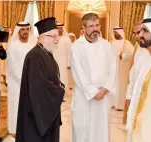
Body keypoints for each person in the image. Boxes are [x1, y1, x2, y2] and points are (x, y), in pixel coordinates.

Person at [16, 17, 65, 142]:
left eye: (57, 35)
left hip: (45, 114)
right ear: (42, 38)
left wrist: (59, 85)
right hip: (36, 118)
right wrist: (59, 91)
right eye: (52, 36)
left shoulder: (46, 52)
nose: (57, 39)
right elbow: (38, 88)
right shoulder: (35, 56)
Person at [71, 13, 116, 142]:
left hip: (103, 96)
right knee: (82, 131)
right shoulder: (76, 46)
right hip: (83, 97)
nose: (95, 29)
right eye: (91, 26)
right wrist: (92, 92)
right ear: (84, 28)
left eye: (97, 25)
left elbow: (113, 69)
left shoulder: (106, 45)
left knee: (100, 131)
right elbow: (77, 72)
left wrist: (105, 89)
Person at [6, 21, 36, 141]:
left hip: (31, 81)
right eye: (22, 30)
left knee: (29, 105)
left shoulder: (33, 45)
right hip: (16, 82)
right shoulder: (13, 46)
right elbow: (12, 67)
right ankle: (14, 129)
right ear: (18, 31)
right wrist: (23, 80)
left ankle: (28, 128)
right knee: (16, 105)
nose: (25, 32)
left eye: (27, 29)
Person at [123, 22, 150, 124]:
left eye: (139, 32)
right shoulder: (139, 50)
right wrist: (129, 96)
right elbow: (133, 75)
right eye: (135, 33)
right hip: (136, 98)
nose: (138, 36)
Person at [110, 27, 134, 111]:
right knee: (113, 85)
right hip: (113, 69)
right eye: (114, 32)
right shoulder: (112, 43)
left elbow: (132, 53)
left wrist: (123, 56)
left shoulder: (126, 43)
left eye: (116, 32)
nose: (114, 34)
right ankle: (113, 103)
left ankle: (120, 105)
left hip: (122, 69)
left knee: (121, 86)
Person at [53, 22, 72, 101]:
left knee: (63, 78)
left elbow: (70, 52)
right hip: (54, 61)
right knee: (54, 78)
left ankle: (63, 96)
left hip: (63, 63)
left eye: (61, 28)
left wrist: (69, 63)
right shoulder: (52, 38)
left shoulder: (66, 39)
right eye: (58, 28)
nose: (59, 29)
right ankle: (55, 95)